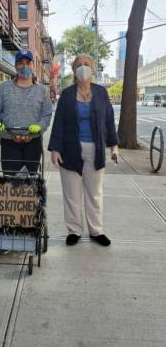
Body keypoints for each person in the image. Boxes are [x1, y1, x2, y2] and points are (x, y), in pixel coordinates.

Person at [48, 54, 118, 247]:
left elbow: (109, 120)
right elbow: (59, 122)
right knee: (72, 194)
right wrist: (55, 149)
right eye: (79, 65)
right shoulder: (67, 94)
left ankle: (96, 230)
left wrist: (114, 146)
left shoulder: (101, 93)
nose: (83, 67)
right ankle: (74, 230)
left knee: (95, 193)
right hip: (70, 149)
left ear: (93, 69)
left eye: (87, 64)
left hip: (95, 150)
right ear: (73, 70)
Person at [0, 50, 52, 173]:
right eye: (20, 63)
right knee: (11, 181)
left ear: (33, 65)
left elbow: (47, 114)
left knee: (30, 182)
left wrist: (40, 126)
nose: (24, 66)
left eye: (28, 63)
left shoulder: (42, 91)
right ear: (15, 65)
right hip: (8, 140)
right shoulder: (4, 88)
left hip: (33, 142)